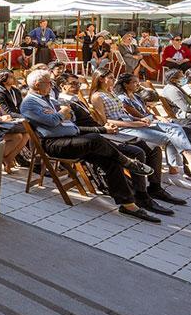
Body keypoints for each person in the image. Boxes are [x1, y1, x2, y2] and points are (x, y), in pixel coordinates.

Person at [19, 70, 166, 222]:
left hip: (72, 137)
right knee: (94, 139)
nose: (51, 85)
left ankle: (128, 204)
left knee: (110, 160)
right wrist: (62, 113)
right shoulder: (29, 102)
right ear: (37, 85)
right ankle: (127, 162)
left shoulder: (47, 98)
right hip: (54, 143)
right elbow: (52, 121)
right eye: (49, 83)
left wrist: (62, 114)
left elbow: (67, 118)